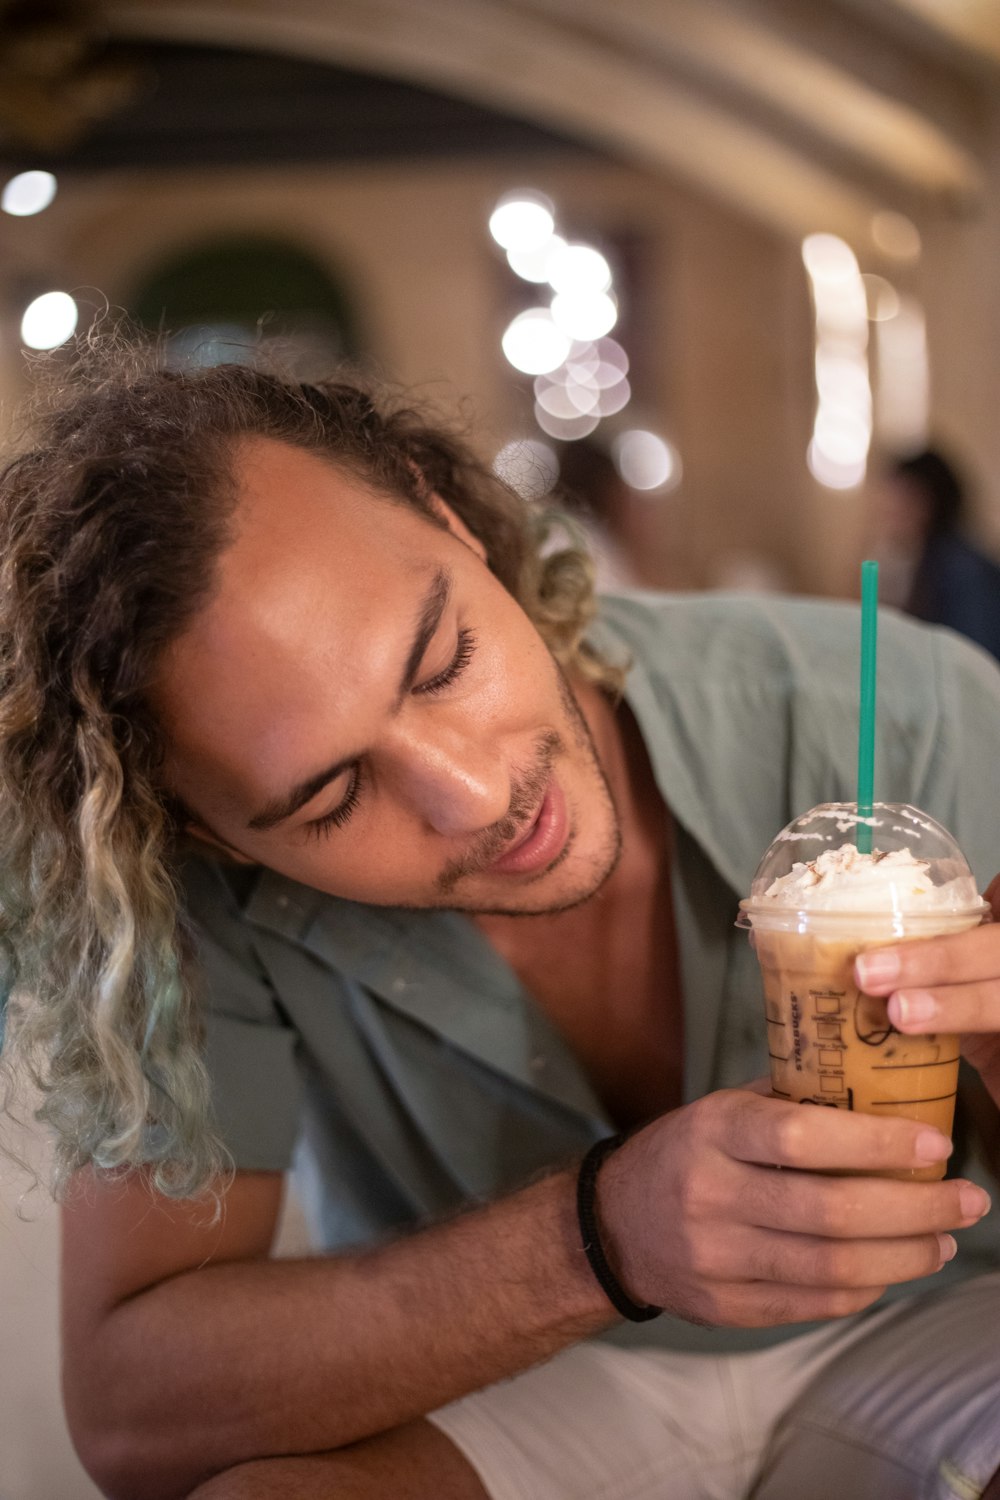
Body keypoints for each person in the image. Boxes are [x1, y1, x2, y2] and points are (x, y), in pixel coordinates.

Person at [1, 345, 1000, 1500]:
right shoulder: (177, 883)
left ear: (452, 521)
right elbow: (132, 1418)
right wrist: (598, 1238)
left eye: (443, 660)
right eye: (329, 797)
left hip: (933, 1323)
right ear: (219, 835)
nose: (475, 797)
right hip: (522, 1377)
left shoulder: (906, 705)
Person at [875, 446, 1000, 663]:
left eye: (903, 497)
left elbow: (975, 657)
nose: (889, 510)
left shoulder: (960, 568)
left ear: (930, 500)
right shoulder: (933, 558)